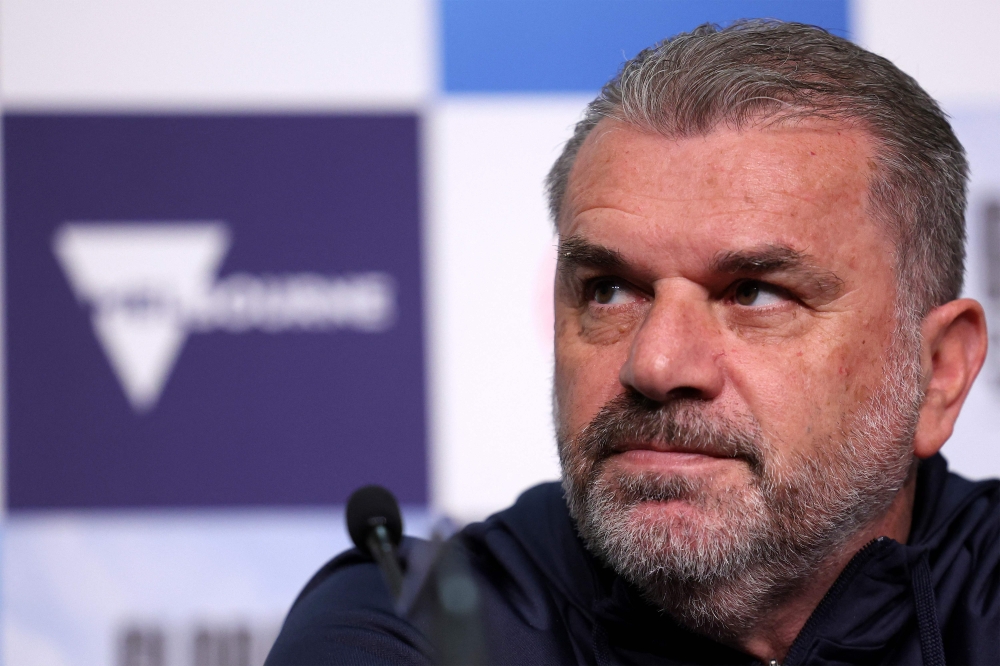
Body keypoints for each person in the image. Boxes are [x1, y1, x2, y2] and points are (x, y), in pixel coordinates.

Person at [267, 20, 998, 665]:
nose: (653, 363)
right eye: (609, 290)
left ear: (937, 372)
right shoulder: (415, 623)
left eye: (754, 293)